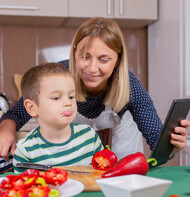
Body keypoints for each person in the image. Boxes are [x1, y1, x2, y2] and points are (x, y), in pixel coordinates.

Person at [0, 17, 189, 168]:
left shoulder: (130, 85)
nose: (92, 68)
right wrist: (7, 126)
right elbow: (17, 113)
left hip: (122, 144)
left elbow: (158, 142)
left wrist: (171, 145)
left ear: (118, 60)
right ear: (74, 52)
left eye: (103, 59)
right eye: (85, 57)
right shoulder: (58, 75)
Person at [12, 62, 103, 173]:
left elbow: (101, 175)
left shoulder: (90, 137)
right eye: (56, 98)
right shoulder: (25, 150)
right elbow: (22, 187)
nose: (68, 103)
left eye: (71, 96)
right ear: (32, 108)